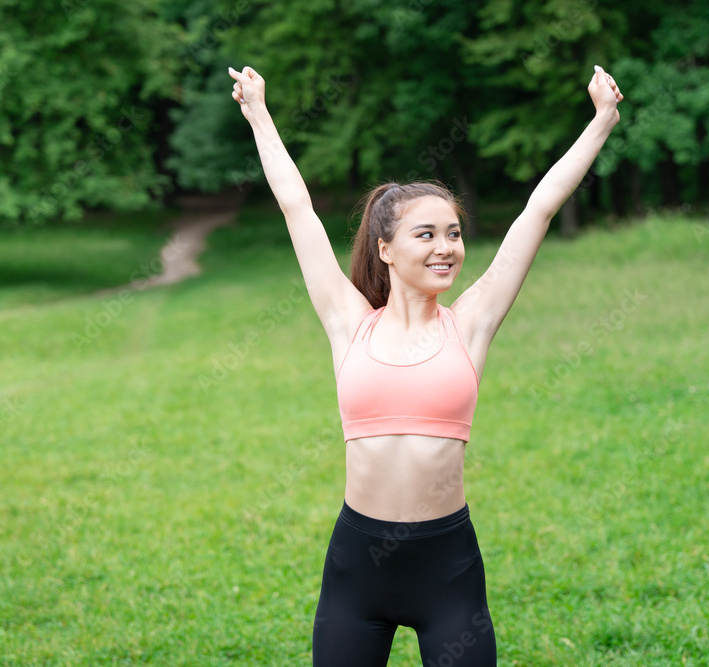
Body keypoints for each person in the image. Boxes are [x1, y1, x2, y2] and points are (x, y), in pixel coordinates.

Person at [228, 63, 623, 666]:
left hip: (447, 568)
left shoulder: (471, 323)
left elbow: (537, 210)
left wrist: (601, 122)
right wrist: (258, 111)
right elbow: (296, 207)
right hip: (357, 568)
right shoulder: (348, 321)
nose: (446, 247)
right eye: (427, 235)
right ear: (385, 249)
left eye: (455, 233)